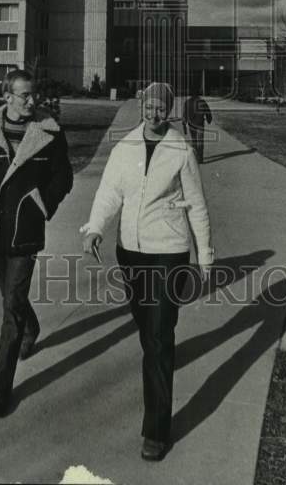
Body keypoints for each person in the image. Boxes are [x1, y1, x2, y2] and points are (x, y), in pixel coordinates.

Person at [81, 82, 215, 461]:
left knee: (157, 336)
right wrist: (94, 227)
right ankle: (160, 360)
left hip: (169, 252)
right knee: (148, 327)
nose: (154, 114)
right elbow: (110, 192)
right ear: (141, 108)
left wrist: (205, 256)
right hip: (131, 253)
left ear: (169, 111)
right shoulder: (124, 149)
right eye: (148, 107)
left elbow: (197, 207)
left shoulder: (181, 150)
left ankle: (156, 430)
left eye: (161, 108)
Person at [0, 69, 73, 417]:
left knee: (11, 305)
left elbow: (63, 176)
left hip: (26, 231)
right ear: (7, 97)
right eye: (24, 95)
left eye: (33, 94)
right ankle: (33, 327)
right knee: (10, 296)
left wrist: (42, 204)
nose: (31, 101)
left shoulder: (49, 134)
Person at [181, 90, 213, 164]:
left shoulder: (187, 102)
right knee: (200, 141)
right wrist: (209, 119)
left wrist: (184, 125)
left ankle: (195, 157)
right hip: (200, 124)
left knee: (194, 141)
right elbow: (208, 112)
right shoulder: (202, 102)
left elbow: (184, 114)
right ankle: (200, 159)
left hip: (191, 124)